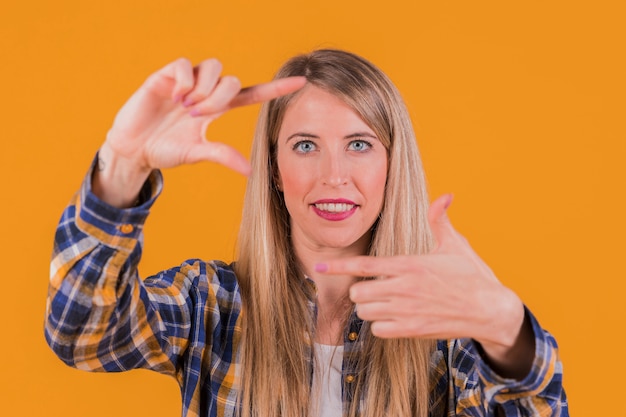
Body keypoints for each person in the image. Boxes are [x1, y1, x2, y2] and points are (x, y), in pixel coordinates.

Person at [45, 49, 568, 417]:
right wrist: (121, 166)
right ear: (274, 167)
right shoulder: (212, 304)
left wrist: (507, 328)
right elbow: (83, 334)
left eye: (359, 144)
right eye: (304, 145)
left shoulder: (445, 330)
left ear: (392, 164)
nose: (333, 174)